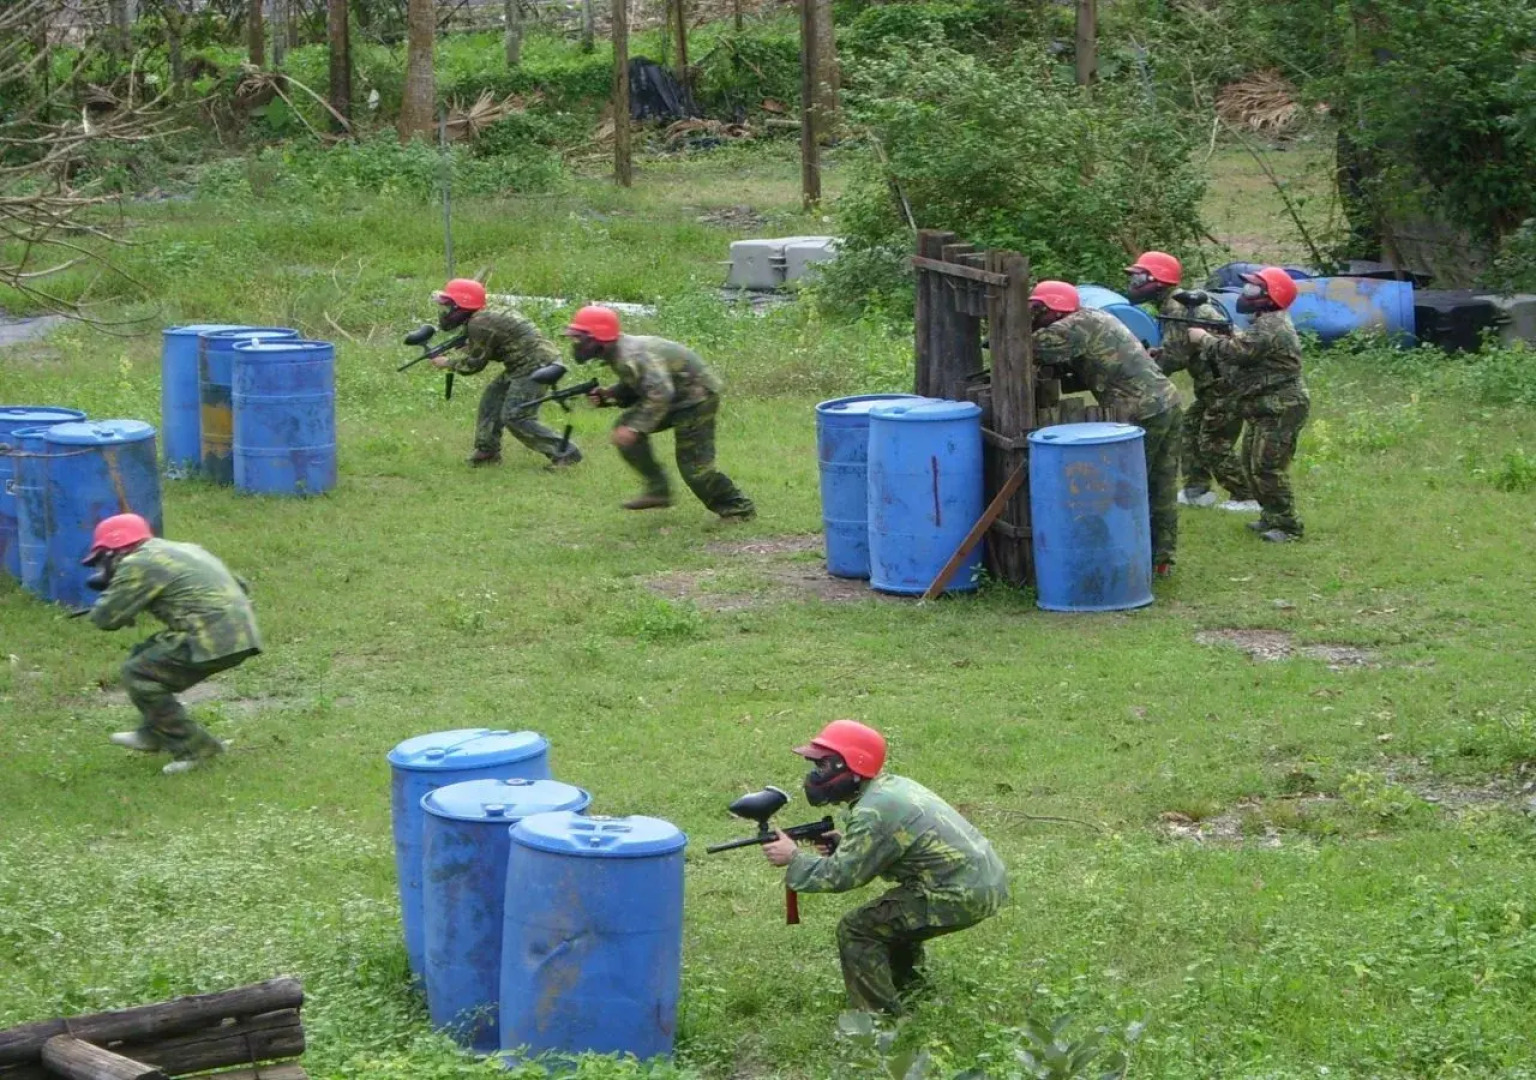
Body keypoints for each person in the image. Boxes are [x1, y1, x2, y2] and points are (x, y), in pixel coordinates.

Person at [761, 720, 1008, 1016]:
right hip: (984, 882)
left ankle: (880, 1020)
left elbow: (840, 876)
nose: (814, 776)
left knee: (858, 929)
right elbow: (897, 843)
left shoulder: (874, 810)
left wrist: (794, 857)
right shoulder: (889, 789)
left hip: (960, 893)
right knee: (891, 918)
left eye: (822, 766)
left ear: (851, 765)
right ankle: (912, 992)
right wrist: (846, 844)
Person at [83, 514, 263, 775]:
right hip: (241, 629)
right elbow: (240, 585)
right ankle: (154, 732)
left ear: (114, 551)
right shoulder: (184, 549)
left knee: (139, 674)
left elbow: (105, 618)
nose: (102, 570)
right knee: (143, 655)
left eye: (101, 562)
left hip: (213, 637)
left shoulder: (138, 563)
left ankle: (196, 748)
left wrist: (110, 596)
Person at [1030, 280, 1184, 576]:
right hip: (1166, 402)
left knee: (1129, 487)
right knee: (1161, 485)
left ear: (1051, 310)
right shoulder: (1093, 316)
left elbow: (1029, 345)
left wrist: (1019, 323)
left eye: (1037, 310)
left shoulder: (1076, 325)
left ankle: (1126, 558)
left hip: (1141, 410)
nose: (1035, 316)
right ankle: (1160, 558)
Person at [564, 304, 756, 521]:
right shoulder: (617, 353)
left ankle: (738, 508)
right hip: (677, 396)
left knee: (694, 467)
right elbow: (642, 384)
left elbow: (661, 392)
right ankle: (658, 490)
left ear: (598, 337)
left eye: (580, 338)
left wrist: (636, 427)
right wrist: (612, 395)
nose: (576, 344)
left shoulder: (632, 355)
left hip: (696, 399)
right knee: (624, 431)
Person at [1126, 251, 1258, 514]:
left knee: (1213, 441)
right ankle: (1197, 490)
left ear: (1159, 280)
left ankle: (1247, 496)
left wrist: (1142, 370)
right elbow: (1178, 348)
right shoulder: (1177, 305)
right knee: (1190, 430)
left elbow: (1174, 358)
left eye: (1140, 277)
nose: (1134, 284)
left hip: (1227, 383)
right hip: (1213, 384)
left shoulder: (1178, 307)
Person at [1188, 267, 1310, 542]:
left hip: (1281, 407)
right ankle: (1271, 517)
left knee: (1267, 467)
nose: (1245, 294)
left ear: (1271, 296)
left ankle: (1288, 526)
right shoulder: (1263, 322)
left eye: (1253, 289)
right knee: (1252, 463)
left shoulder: (1271, 325)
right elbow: (1243, 345)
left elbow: (1237, 352)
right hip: (1263, 407)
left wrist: (1204, 339)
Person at [430, 278, 583, 469]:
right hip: (525, 363)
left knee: (516, 416)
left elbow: (474, 365)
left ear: (462, 307)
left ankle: (566, 452)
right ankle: (487, 451)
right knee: (492, 400)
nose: (446, 312)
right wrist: (471, 346)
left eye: (449, 306)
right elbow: (499, 344)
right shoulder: (482, 316)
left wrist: (447, 363)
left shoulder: (479, 323)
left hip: (535, 365)